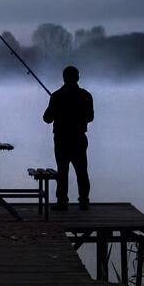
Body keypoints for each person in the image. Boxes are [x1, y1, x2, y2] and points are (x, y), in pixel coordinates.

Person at [42, 65, 94, 211]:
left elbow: (47, 118)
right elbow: (90, 117)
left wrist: (57, 110)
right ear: (77, 78)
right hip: (79, 138)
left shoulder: (56, 96)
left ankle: (62, 202)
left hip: (62, 139)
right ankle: (84, 201)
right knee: (82, 171)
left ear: (64, 78)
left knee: (62, 171)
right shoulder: (86, 95)